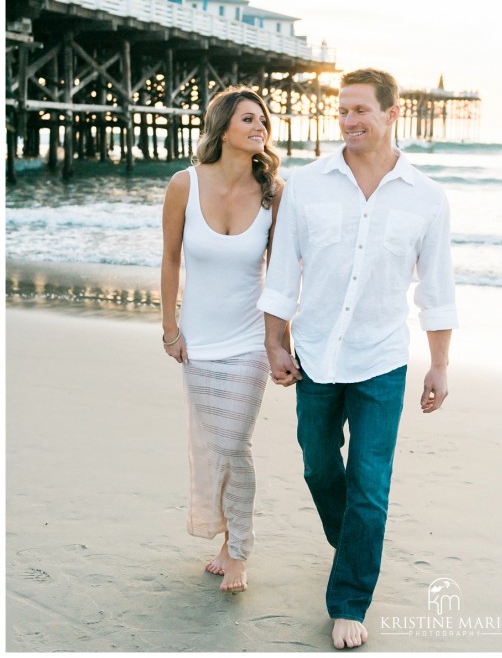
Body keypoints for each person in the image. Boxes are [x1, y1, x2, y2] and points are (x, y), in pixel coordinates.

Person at [257, 68, 458, 648]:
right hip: (315, 353)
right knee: (319, 467)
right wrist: (276, 340)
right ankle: (356, 543)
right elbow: (282, 271)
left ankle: (349, 599)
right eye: (341, 110)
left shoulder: (427, 198)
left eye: (360, 111)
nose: (347, 121)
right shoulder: (307, 184)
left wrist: (439, 363)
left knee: (370, 485)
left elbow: (436, 290)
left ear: (391, 113)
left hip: (382, 359)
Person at [161, 85, 284, 593]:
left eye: (263, 121)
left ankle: (240, 550)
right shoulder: (184, 185)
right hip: (200, 341)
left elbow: (279, 275)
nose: (260, 127)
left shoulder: (276, 191)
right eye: (248, 119)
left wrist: (280, 342)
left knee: (236, 443)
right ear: (223, 127)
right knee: (215, 445)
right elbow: (170, 259)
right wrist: (170, 328)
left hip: (249, 340)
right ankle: (226, 536)